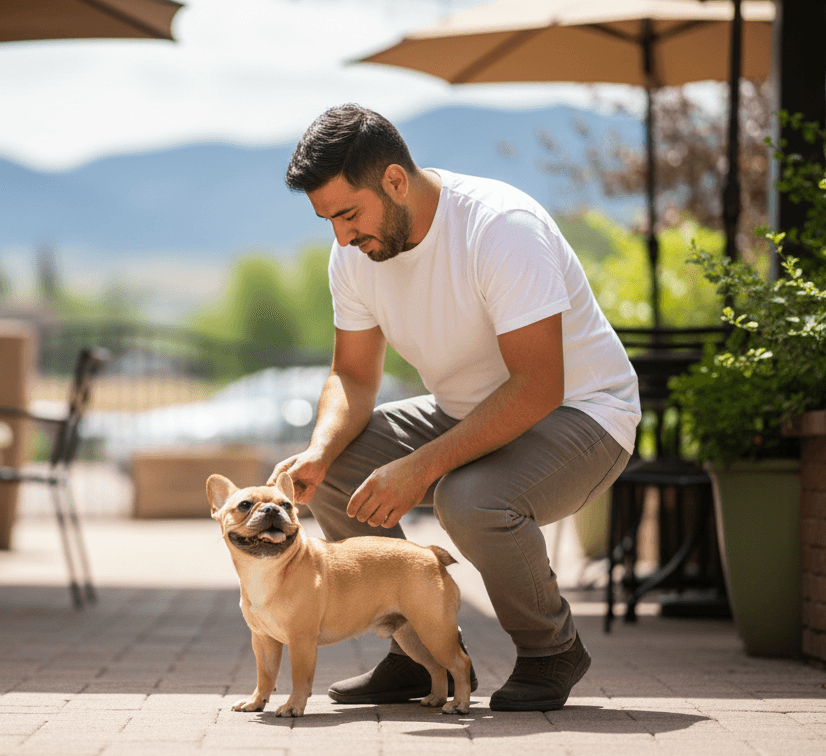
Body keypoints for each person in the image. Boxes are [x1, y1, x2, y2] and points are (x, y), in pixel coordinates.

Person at [270, 104, 640, 712]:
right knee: (337, 467)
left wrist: (419, 468)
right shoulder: (356, 254)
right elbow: (354, 376)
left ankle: (552, 649)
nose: (340, 236)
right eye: (327, 220)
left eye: (348, 214)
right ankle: (419, 649)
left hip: (581, 415)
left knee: (467, 500)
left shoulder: (499, 227)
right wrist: (318, 450)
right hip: (469, 410)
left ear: (394, 180)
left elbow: (538, 385)